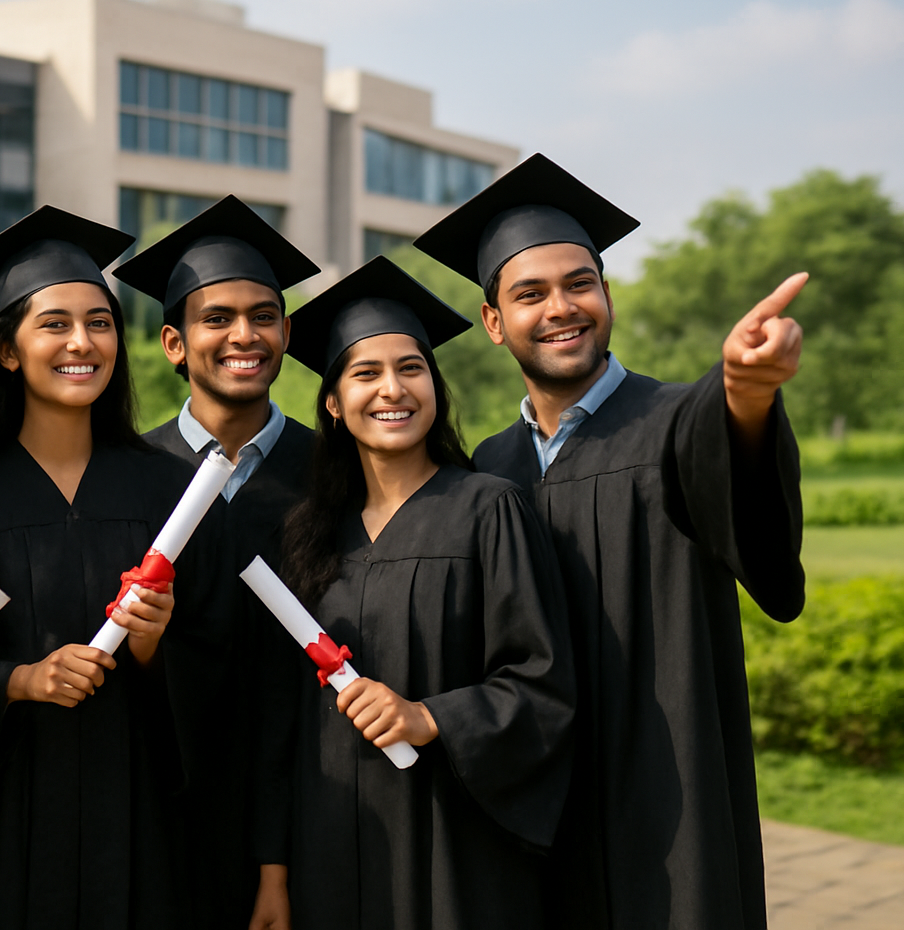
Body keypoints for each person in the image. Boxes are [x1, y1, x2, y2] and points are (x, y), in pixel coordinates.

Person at [413, 152, 806, 929]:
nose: (562, 307)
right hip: (535, 817)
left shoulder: (679, 419)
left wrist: (748, 394)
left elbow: (755, 522)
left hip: (669, 804)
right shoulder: (484, 470)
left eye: (579, 284)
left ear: (606, 294)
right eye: (530, 294)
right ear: (494, 323)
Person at [250, 255, 575, 930]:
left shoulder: (490, 510)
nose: (392, 389)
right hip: (328, 846)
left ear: (436, 385)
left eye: (411, 368)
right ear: (334, 405)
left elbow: (543, 685)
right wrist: (275, 870)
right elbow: (277, 719)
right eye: (366, 374)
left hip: (455, 849)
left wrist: (432, 718)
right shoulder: (308, 536)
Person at [0, 206, 200, 930]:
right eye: (54, 324)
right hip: (1, 815)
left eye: (100, 321)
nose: (82, 342)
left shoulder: (164, 488)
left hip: (138, 814)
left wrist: (153, 648)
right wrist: (17, 681)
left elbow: (221, 672)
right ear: (8, 351)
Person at [111, 194, 320, 926]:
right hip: (156, 818)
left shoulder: (338, 476)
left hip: (314, 806)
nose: (245, 335)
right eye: (217, 319)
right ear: (174, 343)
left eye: (264, 316)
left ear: (288, 333)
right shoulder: (127, 478)